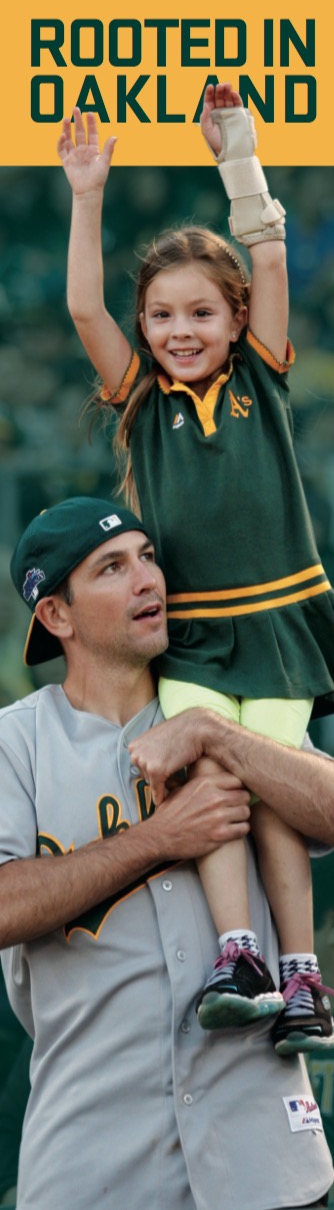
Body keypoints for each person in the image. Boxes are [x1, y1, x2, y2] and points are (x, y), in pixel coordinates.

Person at [58, 83, 334, 1049]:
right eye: (163, 315)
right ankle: (240, 956)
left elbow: (264, 244)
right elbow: (83, 302)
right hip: (198, 640)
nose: (181, 331)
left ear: (237, 319)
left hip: (281, 624)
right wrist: (88, 193)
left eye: (201, 314)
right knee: (210, 784)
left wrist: (239, 154)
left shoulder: (262, 368)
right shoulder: (141, 400)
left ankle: (304, 979)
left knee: (277, 801)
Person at [1, 494, 334, 1210]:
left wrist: (219, 735)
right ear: (56, 616)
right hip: (93, 1166)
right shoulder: (15, 744)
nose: (147, 579)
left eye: (149, 557)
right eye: (112, 568)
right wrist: (160, 838)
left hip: (266, 1161)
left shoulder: (230, 705)